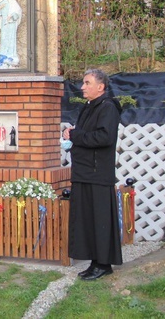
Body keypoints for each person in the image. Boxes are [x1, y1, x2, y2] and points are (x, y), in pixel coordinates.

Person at [62, 68, 123, 280]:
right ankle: (94, 262)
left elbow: (104, 137)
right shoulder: (89, 107)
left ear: (101, 87)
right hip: (84, 171)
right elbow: (84, 133)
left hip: (97, 173)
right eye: (83, 83)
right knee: (87, 219)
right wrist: (71, 133)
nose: (82, 87)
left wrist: (77, 136)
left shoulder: (108, 107)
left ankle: (103, 264)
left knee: (100, 220)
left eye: (87, 83)